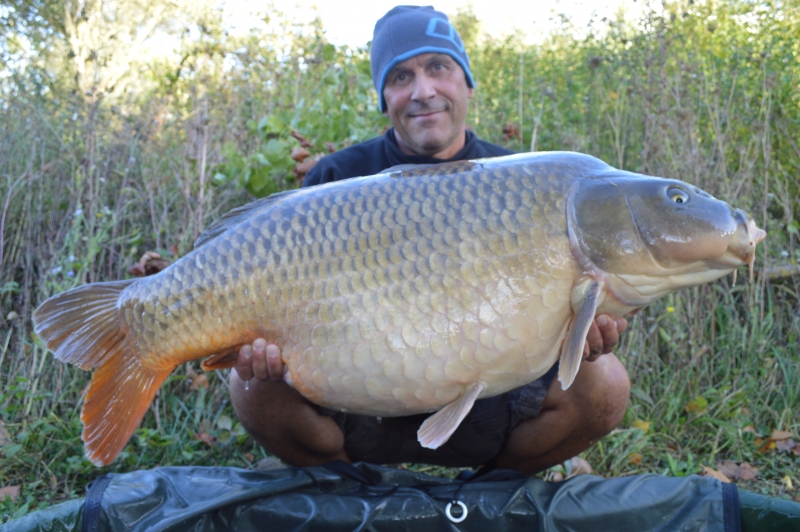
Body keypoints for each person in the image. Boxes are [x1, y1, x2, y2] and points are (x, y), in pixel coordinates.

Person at [229, 5, 630, 475]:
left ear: (467, 82)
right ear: (384, 97)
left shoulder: (526, 181)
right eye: (401, 76)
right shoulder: (335, 179)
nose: (423, 91)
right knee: (249, 385)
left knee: (605, 385)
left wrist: (589, 333)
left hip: (488, 398)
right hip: (358, 398)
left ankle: (497, 494)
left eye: (438, 67)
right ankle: (346, 490)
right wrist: (261, 349)